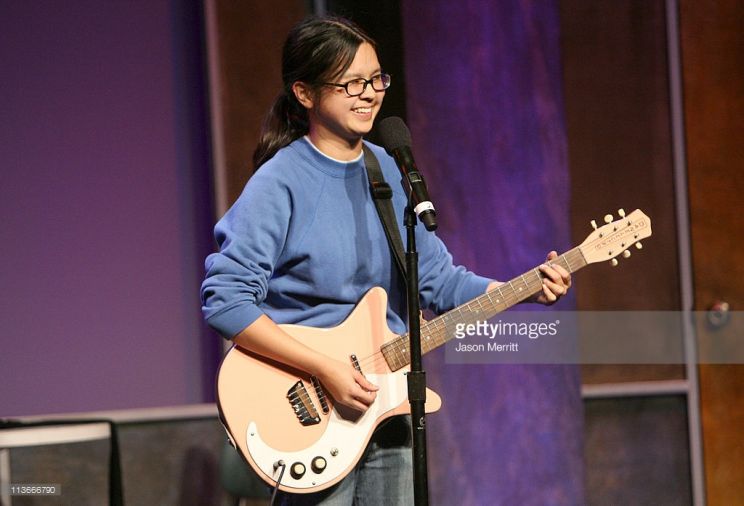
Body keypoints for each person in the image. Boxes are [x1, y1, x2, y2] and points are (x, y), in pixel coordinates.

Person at [201, 15, 571, 505]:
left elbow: (438, 281)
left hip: (387, 410)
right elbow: (225, 302)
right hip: (309, 410)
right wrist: (325, 368)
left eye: (376, 79)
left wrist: (525, 289)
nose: (369, 93)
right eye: (351, 82)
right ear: (305, 93)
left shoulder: (389, 172)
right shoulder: (280, 182)